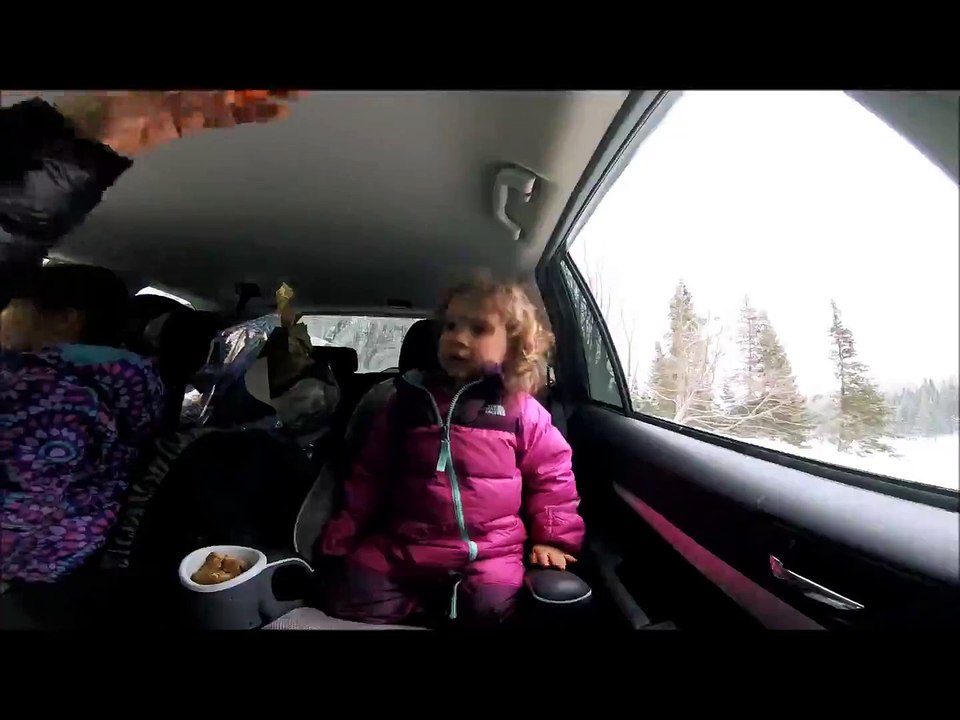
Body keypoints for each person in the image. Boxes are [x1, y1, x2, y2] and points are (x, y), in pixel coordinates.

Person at [319, 275, 585, 626]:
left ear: (513, 344)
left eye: (478, 329)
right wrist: (343, 535)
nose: (458, 338)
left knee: (493, 606)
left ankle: (445, 607)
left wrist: (554, 541)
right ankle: (421, 608)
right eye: (451, 326)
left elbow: (552, 476)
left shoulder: (522, 410)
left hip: (490, 550)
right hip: (406, 543)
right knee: (349, 591)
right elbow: (370, 476)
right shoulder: (405, 403)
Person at [0, 264, 165, 584]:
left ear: (67, 318)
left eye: (14, 306)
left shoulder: (51, 394)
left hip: (30, 561)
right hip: (79, 541)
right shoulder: (129, 381)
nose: (4, 315)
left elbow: (19, 509)